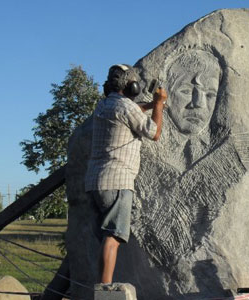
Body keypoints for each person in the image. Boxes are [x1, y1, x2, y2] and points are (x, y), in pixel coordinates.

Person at [84, 64, 167, 284]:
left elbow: (130, 111)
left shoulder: (103, 105)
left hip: (94, 182)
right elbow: (154, 133)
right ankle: (105, 289)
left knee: (104, 238)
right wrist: (158, 105)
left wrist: (149, 105)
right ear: (132, 86)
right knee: (113, 237)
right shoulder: (126, 107)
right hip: (117, 181)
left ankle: (101, 285)